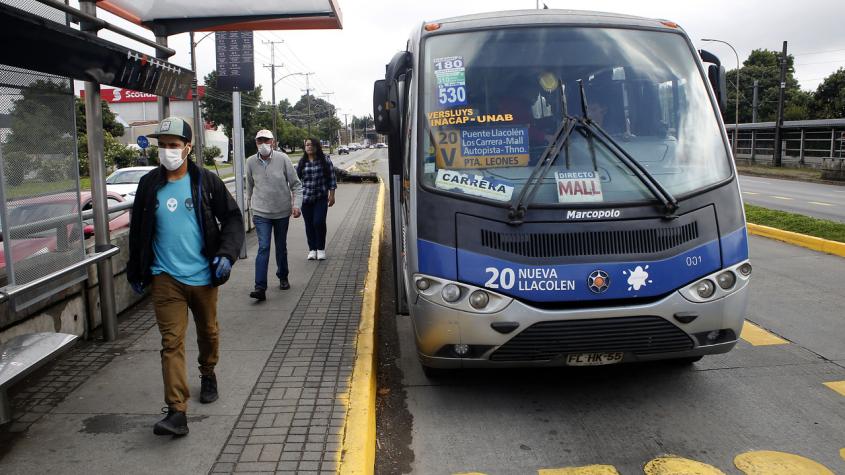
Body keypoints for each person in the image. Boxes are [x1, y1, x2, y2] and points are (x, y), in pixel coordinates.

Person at [127, 116, 244, 436]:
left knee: (208, 331)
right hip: (165, 276)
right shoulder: (149, 184)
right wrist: (135, 268)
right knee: (171, 342)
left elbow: (233, 219)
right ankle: (177, 411)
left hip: (204, 274)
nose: (166, 152)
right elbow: (138, 229)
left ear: (188, 147)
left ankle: (208, 372)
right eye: (162, 146)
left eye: (173, 146)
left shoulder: (206, 182)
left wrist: (226, 255)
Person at [246, 129, 302, 301]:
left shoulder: (283, 159)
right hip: (261, 212)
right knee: (263, 247)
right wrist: (250, 208)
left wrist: (296, 205)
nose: (263, 144)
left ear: (273, 142)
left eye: (267, 140)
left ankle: (283, 275)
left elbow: (296, 184)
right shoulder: (250, 162)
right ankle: (260, 287)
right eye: (259, 140)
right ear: (256, 143)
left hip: (281, 212)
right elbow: (249, 187)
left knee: (280, 246)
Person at [296, 138, 336, 260]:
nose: (309, 147)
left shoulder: (325, 160)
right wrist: (295, 201)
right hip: (306, 199)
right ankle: (312, 249)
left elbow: (332, 179)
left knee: (318, 222)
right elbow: (296, 182)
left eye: (312, 145)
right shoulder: (302, 162)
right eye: (307, 145)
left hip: (321, 198)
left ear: (317, 146)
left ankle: (321, 248)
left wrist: (332, 195)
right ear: (305, 147)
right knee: (309, 225)